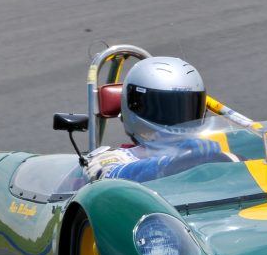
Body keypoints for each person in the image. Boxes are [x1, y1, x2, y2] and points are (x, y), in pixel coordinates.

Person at [84, 56, 227, 182]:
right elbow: (110, 180)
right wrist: (170, 164)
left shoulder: (205, 152)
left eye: (185, 107)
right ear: (134, 105)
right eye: (165, 108)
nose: (177, 118)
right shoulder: (114, 158)